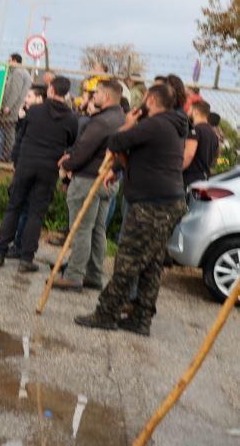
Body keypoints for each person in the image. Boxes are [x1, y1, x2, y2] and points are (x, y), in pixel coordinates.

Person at [75, 84, 187, 335]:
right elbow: (133, 155)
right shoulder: (170, 125)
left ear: (152, 99)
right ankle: (140, 318)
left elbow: (114, 140)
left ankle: (106, 313)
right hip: (168, 202)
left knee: (128, 261)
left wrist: (127, 122)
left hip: (152, 205)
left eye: (145, 97)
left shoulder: (155, 125)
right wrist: (119, 168)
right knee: (151, 265)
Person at [0, 76, 77, 271]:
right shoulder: (71, 118)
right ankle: (26, 259)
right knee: (36, 214)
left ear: (51, 90)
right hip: (49, 169)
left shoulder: (35, 111)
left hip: (26, 164)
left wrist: (17, 159)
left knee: (14, 207)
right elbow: (71, 141)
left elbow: (22, 134)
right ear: (66, 93)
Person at [52, 80, 127, 291]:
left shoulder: (101, 121)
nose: (94, 96)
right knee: (98, 230)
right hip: (108, 180)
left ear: (108, 96)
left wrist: (67, 163)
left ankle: (74, 276)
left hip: (88, 180)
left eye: (98, 93)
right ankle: (94, 275)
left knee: (81, 228)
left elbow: (84, 149)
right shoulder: (121, 118)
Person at [7, 84, 47, 257]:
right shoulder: (29, 115)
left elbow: (27, 140)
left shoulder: (39, 118)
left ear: (39, 98)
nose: (25, 99)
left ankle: (20, 246)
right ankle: (18, 244)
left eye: (29, 96)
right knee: (20, 207)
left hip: (31, 169)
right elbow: (19, 138)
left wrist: (23, 120)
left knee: (25, 209)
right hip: (23, 166)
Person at [0, 53, 32, 161]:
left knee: (9, 133)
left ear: (15, 61)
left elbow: (15, 91)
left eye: (9, 60)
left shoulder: (18, 72)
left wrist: (8, 106)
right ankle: (7, 156)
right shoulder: (23, 72)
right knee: (10, 132)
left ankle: (7, 157)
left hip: (13, 109)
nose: (8, 62)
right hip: (17, 108)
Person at [183, 99, 218, 187]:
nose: (188, 111)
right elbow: (215, 157)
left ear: (195, 111)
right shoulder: (213, 134)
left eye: (190, 109)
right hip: (203, 177)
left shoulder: (196, 130)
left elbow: (188, 156)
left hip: (189, 178)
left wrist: (173, 172)